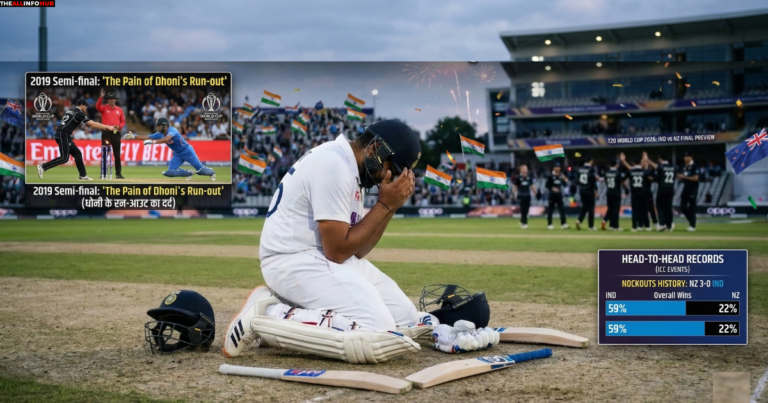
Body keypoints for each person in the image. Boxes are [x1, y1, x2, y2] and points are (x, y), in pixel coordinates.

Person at [222, 120, 498, 363]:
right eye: (391, 169)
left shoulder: (350, 167)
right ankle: (269, 313)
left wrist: (389, 207)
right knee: (377, 329)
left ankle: (295, 317)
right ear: (375, 150)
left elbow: (359, 249)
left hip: (317, 256)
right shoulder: (333, 164)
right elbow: (338, 251)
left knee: (405, 318)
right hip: (291, 259)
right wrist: (384, 203)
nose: (387, 176)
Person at [37, 99, 118, 181]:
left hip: (63, 134)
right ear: (81, 105)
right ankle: (43, 167)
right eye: (85, 105)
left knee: (77, 154)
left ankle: (83, 176)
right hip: (63, 134)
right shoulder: (79, 113)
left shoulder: (70, 110)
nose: (86, 107)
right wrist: (108, 127)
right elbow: (93, 124)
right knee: (64, 158)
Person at [123, 117, 216, 180]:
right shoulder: (160, 134)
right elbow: (148, 137)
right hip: (177, 154)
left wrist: (153, 142)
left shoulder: (173, 130)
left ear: (164, 125)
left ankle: (212, 172)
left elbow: (166, 139)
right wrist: (134, 137)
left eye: (159, 125)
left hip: (187, 151)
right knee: (170, 172)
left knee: (201, 171)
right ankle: (188, 173)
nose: (158, 127)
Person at [95, 89, 126, 179]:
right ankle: (103, 174)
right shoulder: (104, 108)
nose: (112, 100)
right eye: (110, 99)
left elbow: (123, 121)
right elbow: (97, 107)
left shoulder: (119, 110)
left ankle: (118, 174)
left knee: (117, 155)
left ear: (115, 100)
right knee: (105, 154)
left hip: (116, 133)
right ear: (108, 100)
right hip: (106, 133)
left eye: (113, 99)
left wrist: (119, 126)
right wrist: (101, 97)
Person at [645, 154, 675, 231]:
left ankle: (662, 224)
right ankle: (669, 225)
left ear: (661, 159)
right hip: (671, 189)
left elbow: (658, 178)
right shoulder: (673, 167)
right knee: (668, 207)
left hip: (663, 189)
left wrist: (652, 178)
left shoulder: (661, 167)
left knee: (660, 207)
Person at [621, 154, 649, 231]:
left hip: (634, 193)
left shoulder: (630, 171)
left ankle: (634, 227)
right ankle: (644, 226)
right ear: (640, 163)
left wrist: (626, 189)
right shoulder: (644, 170)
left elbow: (622, 180)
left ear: (633, 163)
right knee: (643, 210)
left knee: (635, 210)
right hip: (643, 192)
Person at [574, 155, 601, 230]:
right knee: (591, 208)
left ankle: (579, 220)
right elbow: (592, 180)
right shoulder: (591, 169)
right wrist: (595, 190)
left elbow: (577, 180)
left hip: (582, 190)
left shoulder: (580, 169)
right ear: (591, 161)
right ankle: (591, 226)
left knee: (585, 207)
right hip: (589, 190)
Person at [601, 159, 626, 231]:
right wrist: (626, 190)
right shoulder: (618, 172)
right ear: (615, 164)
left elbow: (605, 181)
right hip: (616, 193)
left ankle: (610, 224)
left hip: (609, 192)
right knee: (616, 210)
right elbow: (621, 182)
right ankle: (616, 226)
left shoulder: (606, 172)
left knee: (611, 208)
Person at [679, 151, 699, 231]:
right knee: (682, 206)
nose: (685, 158)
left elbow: (696, 178)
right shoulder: (684, 167)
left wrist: (684, 177)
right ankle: (691, 221)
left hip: (692, 189)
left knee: (692, 207)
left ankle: (692, 225)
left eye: (687, 156)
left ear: (691, 157)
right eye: (684, 157)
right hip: (685, 188)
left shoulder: (694, 166)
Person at [545, 163, 569, 230]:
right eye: (556, 167)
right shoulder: (550, 176)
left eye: (559, 167)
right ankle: (549, 224)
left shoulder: (561, 175)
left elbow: (565, 184)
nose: (558, 168)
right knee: (550, 210)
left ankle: (563, 224)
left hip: (559, 195)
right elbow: (547, 185)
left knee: (562, 210)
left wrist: (565, 179)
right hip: (552, 195)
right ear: (553, 168)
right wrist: (553, 188)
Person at [513, 164, 536, 229]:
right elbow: (515, 186)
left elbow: (532, 185)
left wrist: (535, 192)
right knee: (523, 209)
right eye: (524, 168)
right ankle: (524, 223)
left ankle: (522, 220)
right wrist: (513, 194)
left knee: (527, 209)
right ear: (521, 170)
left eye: (526, 168)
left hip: (527, 195)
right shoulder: (518, 177)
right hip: (521, 195)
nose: (525, 170)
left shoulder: (529, 177)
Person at [642, 158, 658, 231]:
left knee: (651, 209)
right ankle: (645, 224)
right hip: (640, 193)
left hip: (647, 192)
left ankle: (655, 223)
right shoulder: (639, 171)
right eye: (642, 162)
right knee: (643, 209)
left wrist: (650, 178)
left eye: (645, 162)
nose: (644, 163)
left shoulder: (649, 171)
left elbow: (654, 178)